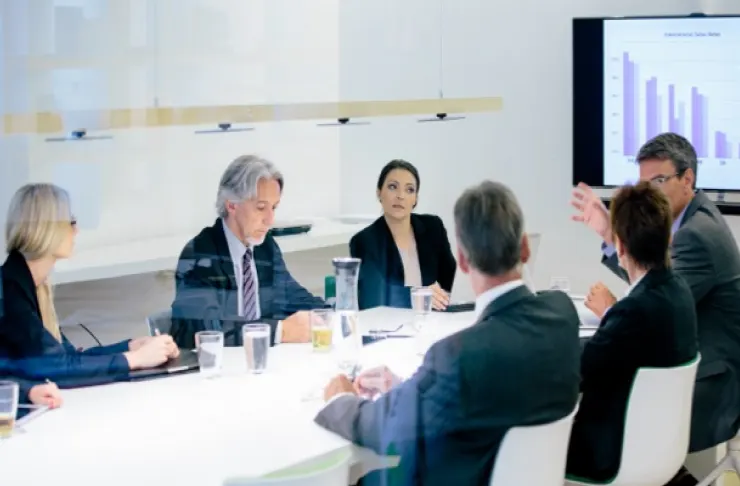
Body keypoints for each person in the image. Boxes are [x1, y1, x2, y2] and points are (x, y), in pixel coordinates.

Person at [316, 181, 581, 486]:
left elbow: (386, 429)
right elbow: (490, 391)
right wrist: (412, 387)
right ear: (524, 247)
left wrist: (339, 401)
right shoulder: (562, 314)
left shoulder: (459, 354)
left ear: (464, 260)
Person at [572, 133, 740, 485]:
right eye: (644, 183)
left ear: (688, 179)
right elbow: (652, 279)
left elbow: (651, 309)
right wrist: (611, 235)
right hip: (691, 373)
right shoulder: (692, 224)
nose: (650, 191)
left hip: (708, 392)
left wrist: (612, 311)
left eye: (658, 181)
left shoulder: (697, 235)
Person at [566, 182, 698, 481]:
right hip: (661, 450)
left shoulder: (634, 311)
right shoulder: (678, 291)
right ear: (669, 237)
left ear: (621, 246)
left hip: (609, 454)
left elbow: (578, 369)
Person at [0, 183, 178, 387]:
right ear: (47, 228)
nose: (76, 230)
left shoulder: (27, 284)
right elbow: (55, 367)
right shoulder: (10, 290)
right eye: (71, 221)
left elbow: (68, 357)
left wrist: (132, 347)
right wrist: (134, 360)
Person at [170, 155, 326, 349]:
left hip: (261, 364)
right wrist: (280, 330)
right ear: (231, 205)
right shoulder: (200, 254)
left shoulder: (265, 247)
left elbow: (293, 297)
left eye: (274, 208)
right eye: (261, 208)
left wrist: (330, 316)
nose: (270, 220)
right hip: (216, 369)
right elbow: (209, 330)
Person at [350, 159, 456, 310]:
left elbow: (451, 279)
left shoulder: (433, 227)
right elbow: (372, 297)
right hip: (390, 324)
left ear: (415, 199)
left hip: (433, 320)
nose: (400, 196)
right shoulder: (365, 241)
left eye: (409, 190)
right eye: (393, 187)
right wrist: (421, 296)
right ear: (379, 193)